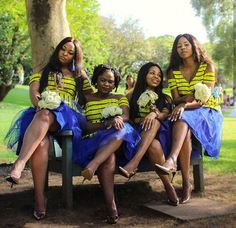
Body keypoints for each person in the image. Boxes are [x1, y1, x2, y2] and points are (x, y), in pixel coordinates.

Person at [4, 37, 93, 220]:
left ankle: (19, 164)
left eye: (71, 53)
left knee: (46, 115)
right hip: (42, 111)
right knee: (42, 143)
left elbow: (94, 95)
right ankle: (40, 199)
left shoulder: (79, 75)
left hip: (68, 116)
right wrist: (41, 103)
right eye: (63, 49)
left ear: (75, 57)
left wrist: (119, 101)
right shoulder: (42, 70)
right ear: (57, 49)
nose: (65, 54)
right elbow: (34, 92)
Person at [155, 33, 223, 204]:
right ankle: (186, 182)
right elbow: (175, 97)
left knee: (182, 116)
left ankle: (173, 161)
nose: (182, 48)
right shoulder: (173, 71)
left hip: (208, 110)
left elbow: (205, 98)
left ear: (194, 46)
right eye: (179, 46)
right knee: (183, 122)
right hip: (185, 112)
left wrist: (185, 103)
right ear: (175, 50)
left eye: (186, 44)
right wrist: (185, 101)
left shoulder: (207, 66)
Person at [72, 64, 140, 224]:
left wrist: (117, 119)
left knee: (124, 128)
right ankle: (111, 208)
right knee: (108, 159)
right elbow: (85, 127)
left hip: (119, 142)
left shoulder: (119, 98)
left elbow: (126, 115)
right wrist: (105, 123)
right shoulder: (86, 99)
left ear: (115, 84)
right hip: (92, 142)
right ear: (96, 80)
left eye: (110, 81)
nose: (106, 84)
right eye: (102, 80)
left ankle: (93, 165)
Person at [118, 62, 179, 206]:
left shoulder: (165, 98)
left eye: (159, 75)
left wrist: (153, 113)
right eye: (152, 73)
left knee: (156, 127)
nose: (156, 77)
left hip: (161, 134)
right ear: (143, 74)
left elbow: (164, 115)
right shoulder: (130, 96)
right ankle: (168, 186)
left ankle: (133, 164)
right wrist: (141, 119)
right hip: (137, 136)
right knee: (153, 144)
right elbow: (130, 119)